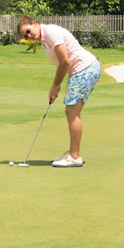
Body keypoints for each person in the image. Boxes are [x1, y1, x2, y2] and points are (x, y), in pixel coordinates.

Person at [17, 15, 102, 167]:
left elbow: (65, 61)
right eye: (26, 36)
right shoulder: (44, 41)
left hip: (85, 68)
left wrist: (56, 85)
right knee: (71, 111)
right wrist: (54, 87)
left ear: (34, 23)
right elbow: (61, 65)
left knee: (72, 111)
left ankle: (75, 157)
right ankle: (72, 153)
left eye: (28, 31)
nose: (29, 36)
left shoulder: (51, 33)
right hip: (79, 71)